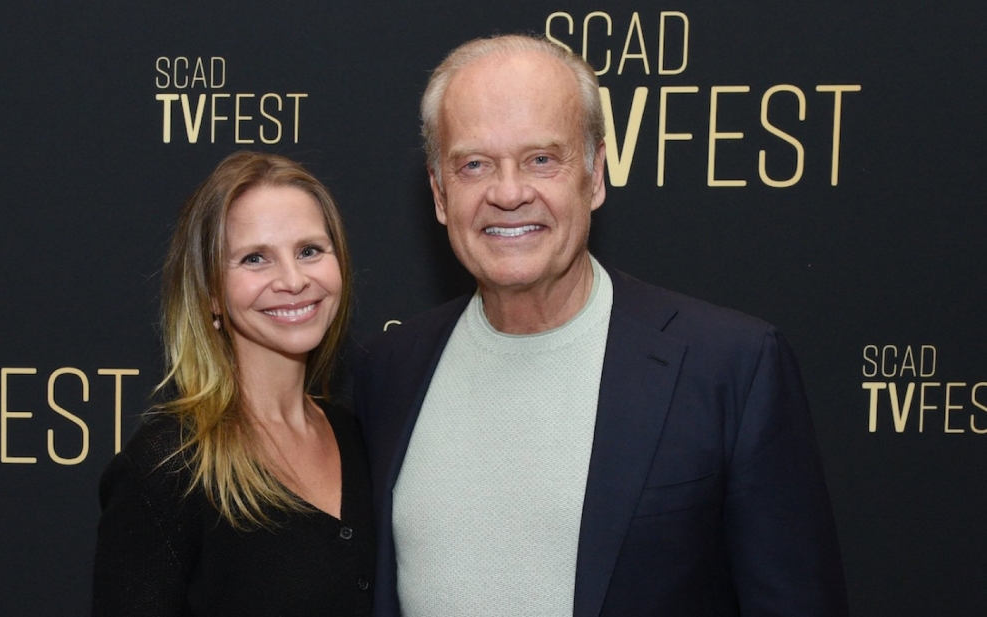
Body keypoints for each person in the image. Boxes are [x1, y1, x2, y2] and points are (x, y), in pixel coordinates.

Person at [352, 35, 848, 616]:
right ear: (440, 194)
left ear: (594, 176)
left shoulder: (730, 368)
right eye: (475, 165)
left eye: (542, 159)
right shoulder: (389, 370)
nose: (508, 193)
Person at [92, 151, 374, 617]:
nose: (293, 280)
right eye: (255, 258)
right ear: (211, 294)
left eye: (309, 250)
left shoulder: (361, 436)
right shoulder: (170, 466)